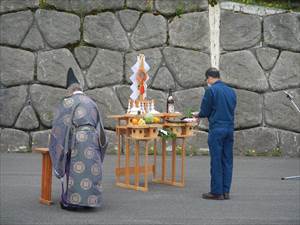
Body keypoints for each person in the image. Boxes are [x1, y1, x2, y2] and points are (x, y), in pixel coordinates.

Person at [49, 68, 108, 210]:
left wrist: (59, 143)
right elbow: (100, 127)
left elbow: (59, 126)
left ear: (69, 90)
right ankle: (90, 202)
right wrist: (101, 146)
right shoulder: (91, 102)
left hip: (77, 139)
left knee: (74, 168)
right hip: (93, 138)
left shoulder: (68, 102)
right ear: (80, 88)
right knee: (91, 168)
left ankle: (72, 201)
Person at [195, 68, 236, 200]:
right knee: (227, 160)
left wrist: (198, 114)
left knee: (216, 160)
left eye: (207, 79)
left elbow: (205, 111)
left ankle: (217, 192)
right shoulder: (231, 91)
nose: (207, 82)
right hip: (229, 128)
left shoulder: (211, 90)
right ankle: (226, 191)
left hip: (217, 129)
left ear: (210, 78)